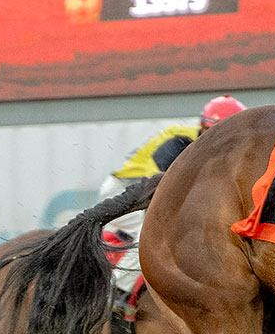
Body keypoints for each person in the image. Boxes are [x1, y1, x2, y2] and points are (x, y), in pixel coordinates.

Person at [99, 94, 247, 295]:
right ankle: (115, 292)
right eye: (220, 134)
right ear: (204, 128)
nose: (225, 143)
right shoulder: (179, 142)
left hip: (147, 193)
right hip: (125, 192)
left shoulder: (217, 153)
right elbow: (167, 190)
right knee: (153, 236)